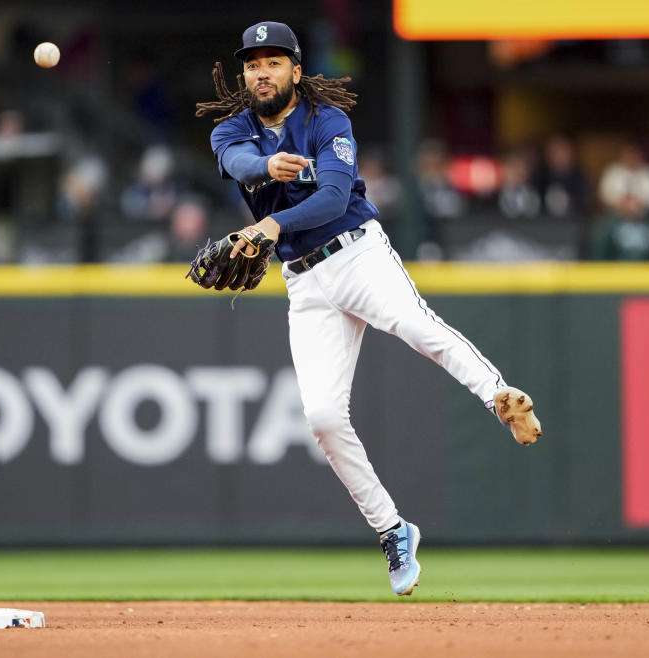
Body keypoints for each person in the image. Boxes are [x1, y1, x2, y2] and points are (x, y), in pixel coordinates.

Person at [195, 21, 542, 596]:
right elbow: (236, 162)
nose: (262, 71)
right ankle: (393, 529)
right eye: (253, 63)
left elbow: (334, 195)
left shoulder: (326, 121)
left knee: (415, 325)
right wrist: (265, 169)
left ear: (296, 71)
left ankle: (498, 397)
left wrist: (271, 221)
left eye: (274, 61)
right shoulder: (233, 130)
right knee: (323, 418)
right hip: (304, 285)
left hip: (356, 254)